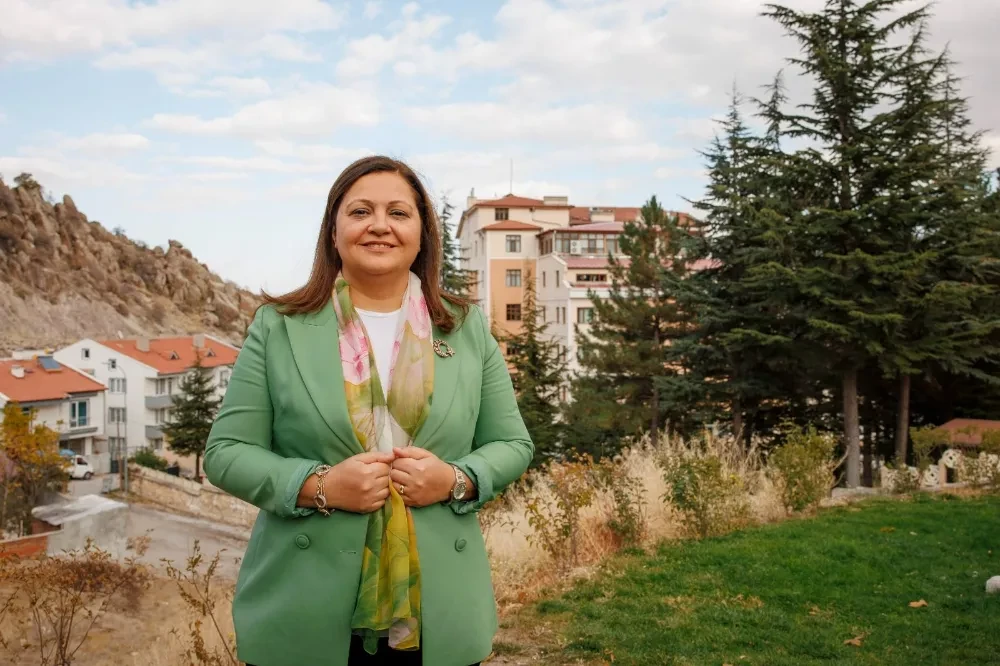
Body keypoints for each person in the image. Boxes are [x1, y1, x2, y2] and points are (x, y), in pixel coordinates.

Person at [203, 155, 533, 666]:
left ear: (422, 235)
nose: (380, 225)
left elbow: (512, 444)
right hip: (303, 603)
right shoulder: (278, 327)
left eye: (398, 213)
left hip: (438, 611)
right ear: (333, 232)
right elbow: (226, 452)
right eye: (360, 211)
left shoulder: (466, 328)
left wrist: (456, 479)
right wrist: (319, 486)